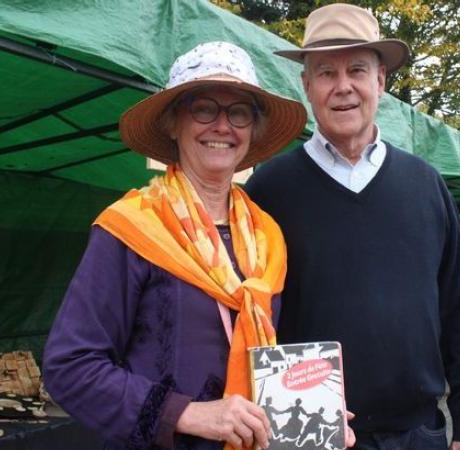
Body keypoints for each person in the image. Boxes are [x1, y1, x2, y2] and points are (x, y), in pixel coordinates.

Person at [244, 4, 460, 449]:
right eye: (325, 73)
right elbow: (250, 317)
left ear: (380, 81)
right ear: (306, 86)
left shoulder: (426, 185)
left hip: (416, 434)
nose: (343, 87)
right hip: (308, 433)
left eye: (357, 69)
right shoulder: (269, 189)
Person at [42, 41, 308, 450]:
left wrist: (313, 410)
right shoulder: (132, 227)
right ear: (172, 122)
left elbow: (272, 364)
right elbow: (69, 367)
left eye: (238, 112)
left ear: (252, 130)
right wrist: (185, 413)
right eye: (203, 108)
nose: (222, 126)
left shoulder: (267, 236)